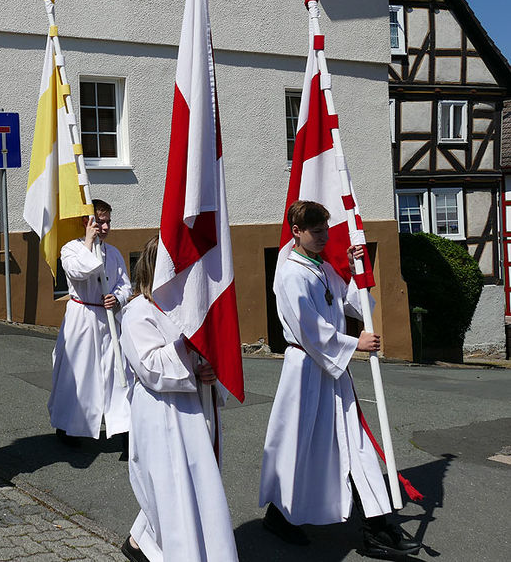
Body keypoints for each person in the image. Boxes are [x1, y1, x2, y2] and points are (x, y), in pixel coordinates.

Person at [259, 200, 420, 559]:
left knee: (355, 446)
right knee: (302, 447)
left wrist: (355, 267)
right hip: (306, 372)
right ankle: (280, 515)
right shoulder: (290, 274)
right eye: (315, 230)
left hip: (332, 372)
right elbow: (308, 328)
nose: (322, 236)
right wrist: (354, 342)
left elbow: (354, 304)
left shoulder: (323, 268)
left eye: (324, 230)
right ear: (296, 232)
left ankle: (377, 527)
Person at [119, 237, 238, 562]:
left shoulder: (186, 311)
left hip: (193, 406)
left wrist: (210, 368)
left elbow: (203, 354)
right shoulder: (138, 312)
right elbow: (149, 365)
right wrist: (190, 356)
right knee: (172, 488)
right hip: (162, 413)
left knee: (192, 484)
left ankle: (141, 541)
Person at [48, 199, 132, 447]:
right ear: (88, 222)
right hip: (82, 319)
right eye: (100, 222)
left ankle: (123, 427)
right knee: (80, 373)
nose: (105, 227)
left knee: (116, 371)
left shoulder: (113, 253)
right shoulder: (71, 249)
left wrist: (116, 297)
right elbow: (77, 272)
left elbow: (125, 284)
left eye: (108, 222)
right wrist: (88, 242)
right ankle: (70, 425)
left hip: (107, 320)